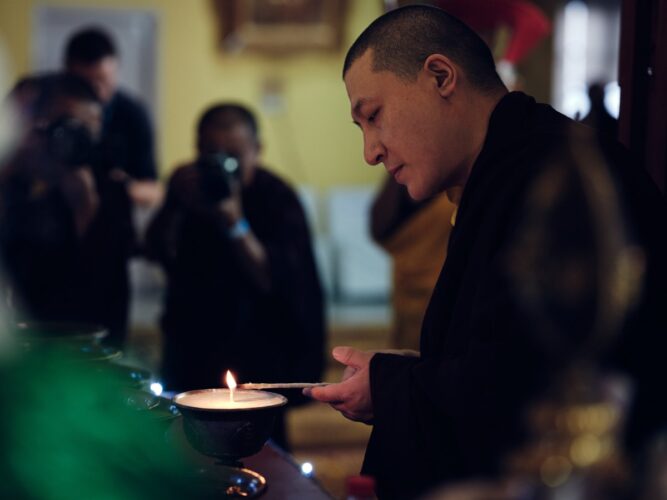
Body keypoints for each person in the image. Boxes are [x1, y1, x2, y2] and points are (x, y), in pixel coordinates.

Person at [306, 5, 667, 499]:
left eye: (373, 116)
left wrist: (389, 386)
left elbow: (515, 393)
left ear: (439, 76)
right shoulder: (500, 168)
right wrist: (405, 375)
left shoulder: (551, 181)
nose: (370, 150)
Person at [145, 103, 325, 450]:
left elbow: (275, 279)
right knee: (183, 450)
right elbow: (154, 249)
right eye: (213, 154)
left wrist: (234, 221)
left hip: (257, 350)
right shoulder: (188, 187)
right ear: (198, 151)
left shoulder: (278, 196)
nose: (223, 166)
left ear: (257, 151)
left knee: (264, 452)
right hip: (191, 345)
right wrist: (175, 202)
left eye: (234, 155)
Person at [0, 74, 135, 344]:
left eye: (85, 129)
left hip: (88, 351)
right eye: (65, 126)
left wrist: (84, 204)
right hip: (21, 347)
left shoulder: (109, 188)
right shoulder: (17, 183)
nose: (75, 138)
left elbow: (104, 286)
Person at [64, 26, 161, 207]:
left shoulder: (133, 113)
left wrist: (124, 188)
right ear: (67, 73)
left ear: (116, 69)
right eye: (86, 83)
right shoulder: (46, 110)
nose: (97, 92)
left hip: (113, 225)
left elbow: (153, 190)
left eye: (103, 80)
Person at [370, 179, 455, 350]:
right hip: (415, 307)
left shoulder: (452, 200)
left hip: (442, 306)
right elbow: (380, 228)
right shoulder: (443, 202)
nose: (371, 156)